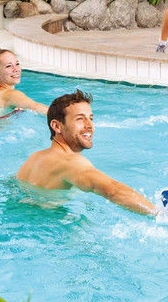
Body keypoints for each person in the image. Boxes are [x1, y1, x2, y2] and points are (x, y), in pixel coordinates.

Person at [16, 90, 158, 216]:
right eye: (80, 119)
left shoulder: (35, 157)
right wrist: (158, 212)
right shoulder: (70, 163)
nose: (89, 126)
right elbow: (112, 190)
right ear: (57, 126)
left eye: (91, 118)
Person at [0, 47, 47, 115]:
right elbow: (36, 107)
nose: (16, 69)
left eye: (17, 64)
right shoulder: (11, 94)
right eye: (9, 66)